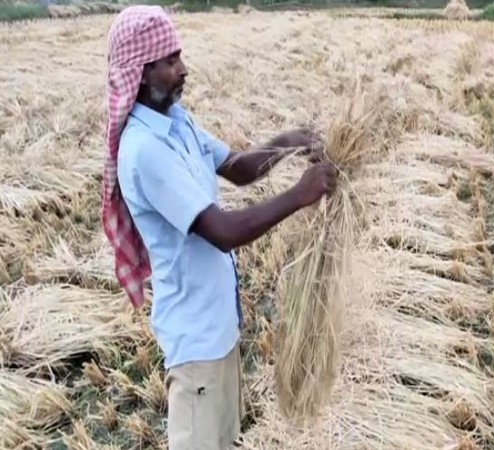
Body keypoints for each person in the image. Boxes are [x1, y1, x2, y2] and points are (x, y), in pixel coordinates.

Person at [102, 5, 337, 450]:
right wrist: (299, 195)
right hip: (196, 346)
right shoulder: (145, 151)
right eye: (170, 61)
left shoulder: (177, 122)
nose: (183, 69)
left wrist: (288, 143)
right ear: (141, 70)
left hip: (222, 329)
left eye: (179, 56)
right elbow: (222, 230)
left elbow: (237, 168)